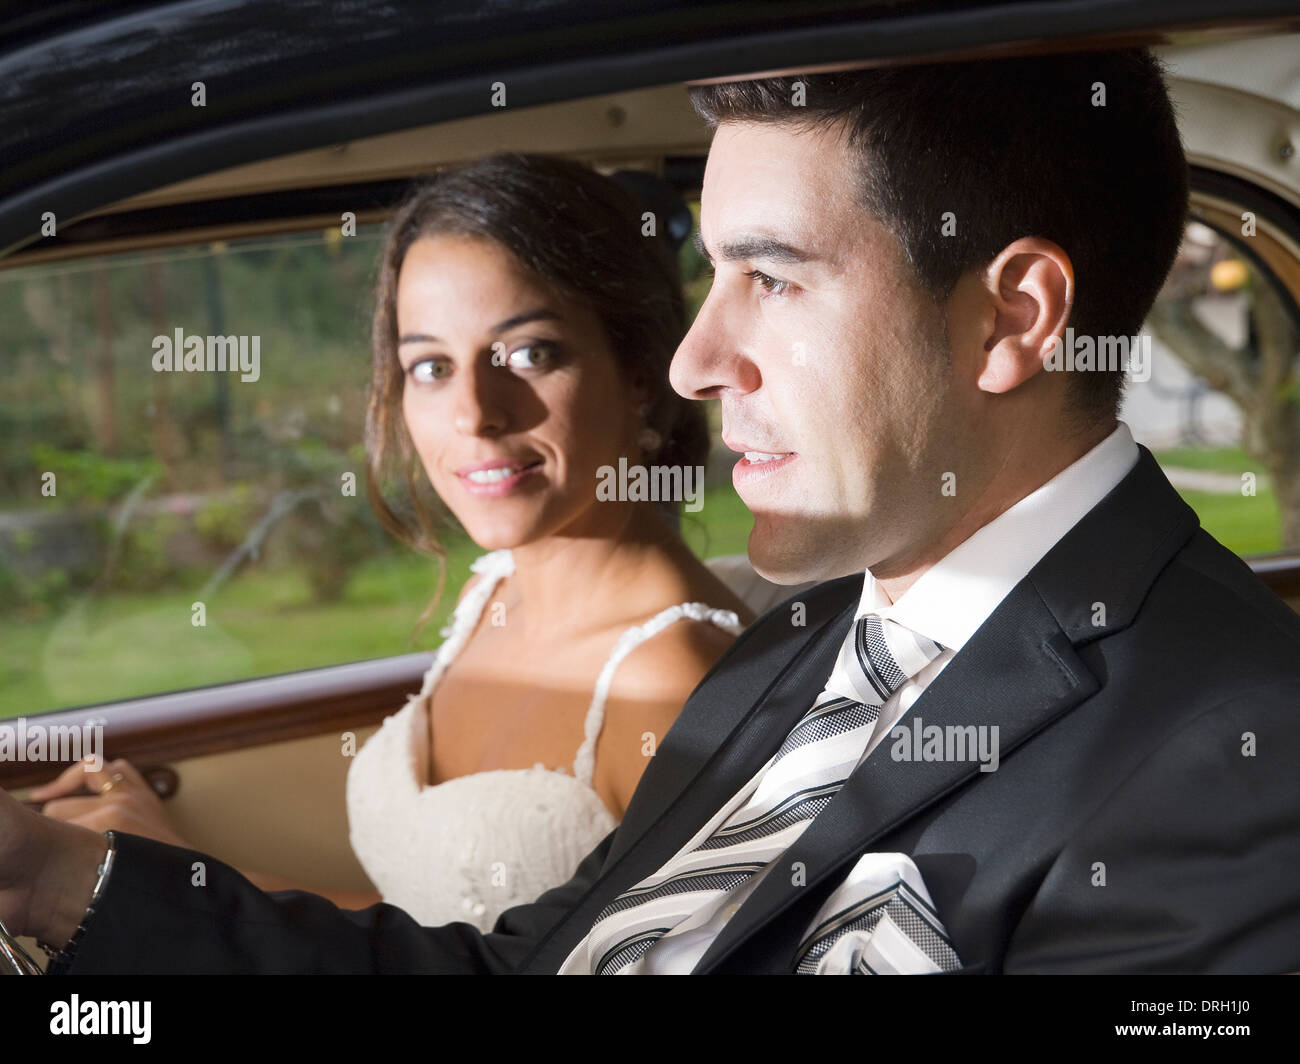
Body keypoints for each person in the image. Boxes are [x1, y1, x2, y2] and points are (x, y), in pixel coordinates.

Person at [4, 48, 1300, 974]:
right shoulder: (801, 644)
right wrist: (55, 878)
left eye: (772, 280)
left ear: (1013, 319)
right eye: (707, 271)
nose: (692, 361)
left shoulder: (1235, 761)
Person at [19, 153, 754, 932]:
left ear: (640, 371)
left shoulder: (674, 682)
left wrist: (161, 889)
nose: (475, 414)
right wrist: (170, 860)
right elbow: (414, 932)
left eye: (531, 352)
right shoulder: (492, 592)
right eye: (431, 367)